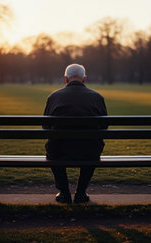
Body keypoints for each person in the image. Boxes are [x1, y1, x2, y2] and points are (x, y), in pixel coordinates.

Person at [43, 64, 107, 204]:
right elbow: (104, 127)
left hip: (59, 150)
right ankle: (81, 192)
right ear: (84, 79)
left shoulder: (54, 97)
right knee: (93, 146)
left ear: (66, 79)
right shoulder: (97, 97)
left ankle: (64, 193)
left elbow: (45, 126)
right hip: (89, 151)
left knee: (53, 148)